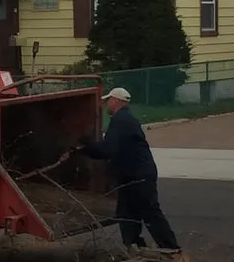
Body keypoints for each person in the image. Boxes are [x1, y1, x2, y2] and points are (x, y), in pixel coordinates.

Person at [77, 87, 180, 252]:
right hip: (130, 175)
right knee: (127, 212)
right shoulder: (125, 119)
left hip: (139, 174)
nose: (106, 105)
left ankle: (171, 248)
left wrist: (86, 147)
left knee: (149, 211)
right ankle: (134, 246)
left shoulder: (121, 120)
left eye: (108, 101)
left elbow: (109, 149)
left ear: (115, 101)